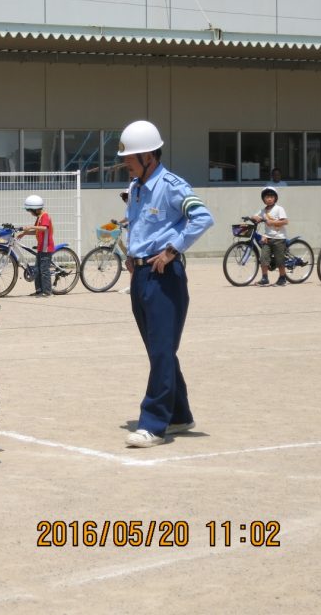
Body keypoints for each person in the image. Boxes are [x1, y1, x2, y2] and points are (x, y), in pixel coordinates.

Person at [117, 120, 214, 448]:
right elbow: (141, 224)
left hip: (164, 279)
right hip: (140, 276)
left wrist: (173, 249)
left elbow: (202, 217)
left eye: (130, 157)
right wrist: (133, 253)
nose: (125, 162)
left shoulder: (172, 185)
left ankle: (153, 423)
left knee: (161, 351)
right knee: (160, 352)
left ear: (148, 156)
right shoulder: (136, 187)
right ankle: (180, 414)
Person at [17, 194, 53, 297]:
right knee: (37, 269)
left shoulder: (45, 216)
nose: (30, 213)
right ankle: (39, 290)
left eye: (30, 210)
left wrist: (31, 226)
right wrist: (25, 233)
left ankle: (47, 292)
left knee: (44, 270)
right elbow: (37, 231)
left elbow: (44, 228)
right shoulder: (39, 217)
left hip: (46, 248)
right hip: (41, 247)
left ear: (36, 209)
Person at [251, 187, 289, 287]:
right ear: (263, 199)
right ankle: (264, 278)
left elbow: (285, 221)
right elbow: (255, 216)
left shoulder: (279, 209)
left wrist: (272, 222)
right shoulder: (263, 210)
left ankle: (282, 278)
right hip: (267, 238)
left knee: (279, 259)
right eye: (267, 197)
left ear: (275, 198)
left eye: (271, 197)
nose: (269, 199)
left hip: (279, 238)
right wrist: (254, 217)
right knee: (263, 258)